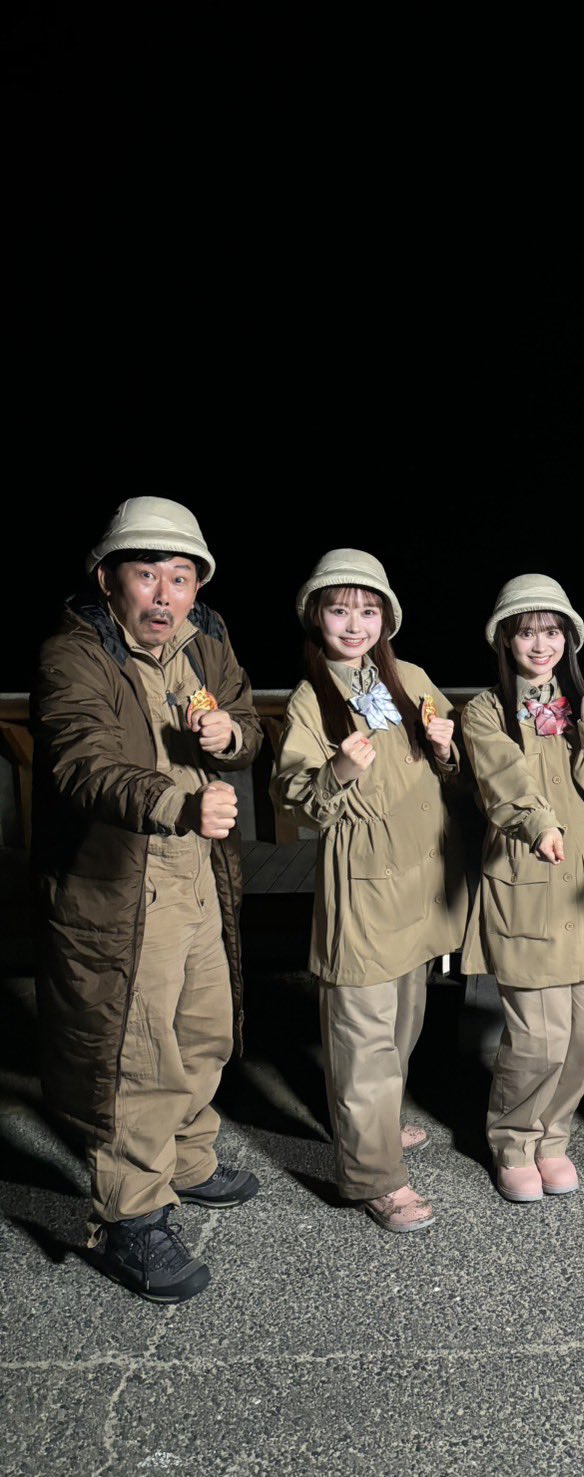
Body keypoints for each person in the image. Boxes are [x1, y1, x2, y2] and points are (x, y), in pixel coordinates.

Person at [33, 497, 263, 1303]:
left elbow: (247, 717)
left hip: (200, 870)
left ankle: (188, 1156)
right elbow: (83, 762)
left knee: (205, 1025)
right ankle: (129, 1216)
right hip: (122, 881)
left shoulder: (208, 639)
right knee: (138, 1053)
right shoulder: (75, 655)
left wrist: (232, 736)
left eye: (181, 577)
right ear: (108, 579)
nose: (165, 595)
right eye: (146, 574)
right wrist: (178, 800)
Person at [271, 550, 466, 1233]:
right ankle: (374, 1176)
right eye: (339, 610)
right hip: (361, 885)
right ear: (316, 617)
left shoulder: (410, 677)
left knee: (404, 1021)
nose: (354, 625)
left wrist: (445, 747)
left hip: (418, 878)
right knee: (363, 1037)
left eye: (367, 611)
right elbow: (293, 797)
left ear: (386, 618)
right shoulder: (309, 698)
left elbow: (449, 765)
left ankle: (374, 1127)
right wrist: (338, 770)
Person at [460, 575, 584, 1203]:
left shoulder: (582, 702)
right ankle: (512, 1142)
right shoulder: (485, 711)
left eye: (553, 631)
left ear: (570, 638)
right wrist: (540, 824)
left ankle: (552, 1139)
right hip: (525, 883)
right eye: (527, 632)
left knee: (581, 1042)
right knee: (537, 1039)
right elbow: (501, 782)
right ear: (505, 640)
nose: (541, 644)